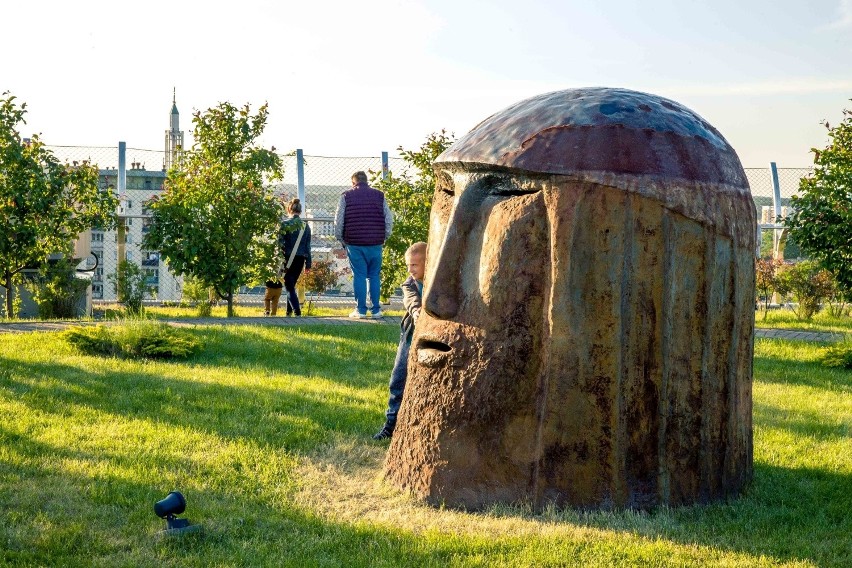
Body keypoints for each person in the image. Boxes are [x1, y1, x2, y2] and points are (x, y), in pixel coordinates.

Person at [373, 242, 426, 440]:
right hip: (411, 335)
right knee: (398, 379)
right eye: (408, 266)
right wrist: (417, 311)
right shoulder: (410, 283)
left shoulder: (437, 282)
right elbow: (410, 299)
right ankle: (390, 425)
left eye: (414, 265)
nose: (410, 270)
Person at [334, 171, 393, 319]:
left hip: (354, 243)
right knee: (374, 275)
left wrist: (341, 239)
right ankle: (376, 310)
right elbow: (388, 219)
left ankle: (360, 310)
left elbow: (339, 220)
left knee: (359, 275)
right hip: (376, 243)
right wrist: (384, 236)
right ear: (367, 181)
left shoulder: (346, 196)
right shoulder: (380, 195)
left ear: (353, 182)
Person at [278, 197, 312, 317]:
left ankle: (297, 311)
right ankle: (289, 311)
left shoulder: (284, 224)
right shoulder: (305, 226)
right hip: (300, 259)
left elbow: (280, 243)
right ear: (300, 210)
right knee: (291, 284)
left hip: (287, 257)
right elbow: (308, 247)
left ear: (289, 209)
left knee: (288, 285)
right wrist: (308, 264)